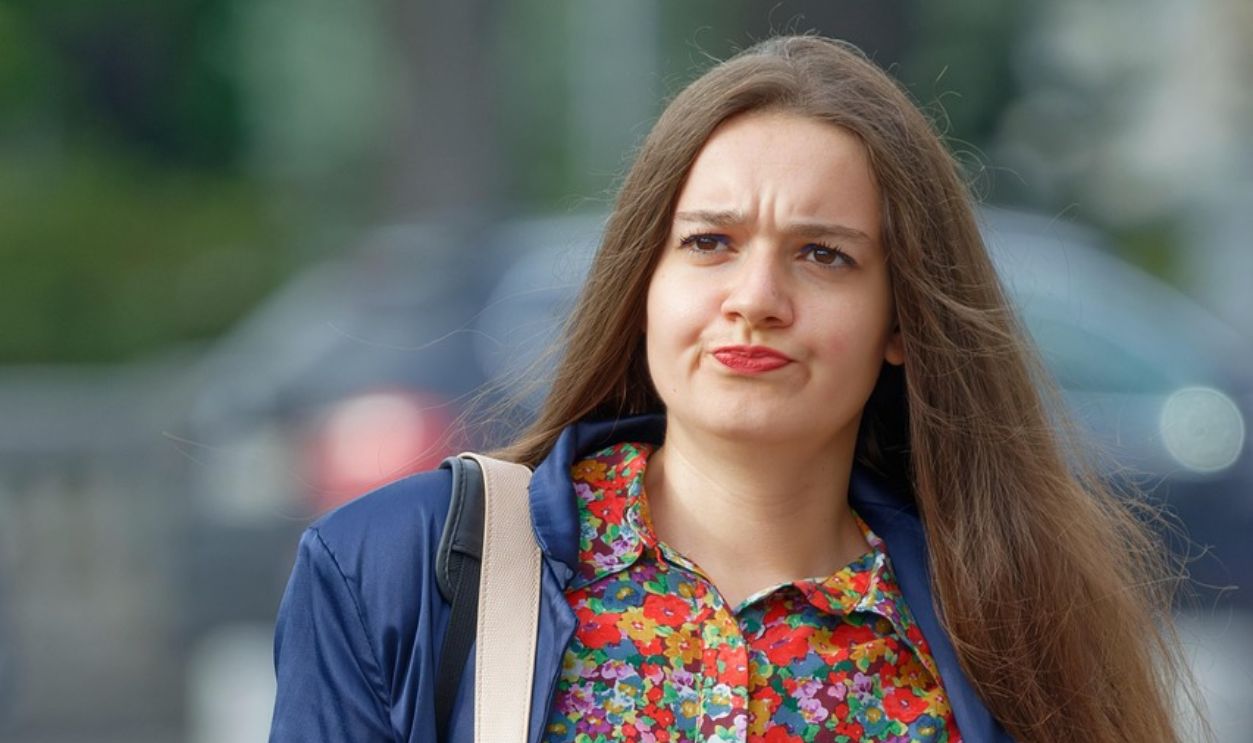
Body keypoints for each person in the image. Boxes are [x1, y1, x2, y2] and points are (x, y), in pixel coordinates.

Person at [269, 35, 1194, 743]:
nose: (754, 299)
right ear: (644, 282)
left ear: (901, 322)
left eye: (822, 254)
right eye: (709, 242)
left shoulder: (1011, 622)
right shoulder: (398, 570)